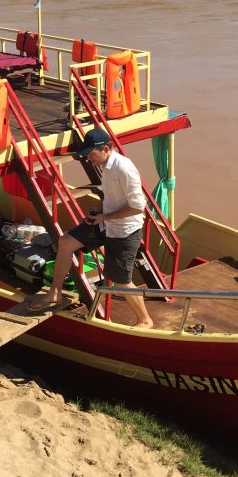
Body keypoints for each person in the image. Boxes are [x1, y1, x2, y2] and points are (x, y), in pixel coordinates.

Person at [29, 127, 153, 328]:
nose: (88, 159)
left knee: (121, 280)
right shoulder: (105, 166)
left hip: (124, 231)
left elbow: (138, 207)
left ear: (105, 148)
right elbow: (113, 197)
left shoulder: (124, 168)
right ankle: (55, 293)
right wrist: (98, 210)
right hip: (105, 223)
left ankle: (145, 319)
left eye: (90, 154)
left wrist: (105, 216)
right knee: (65, 242)